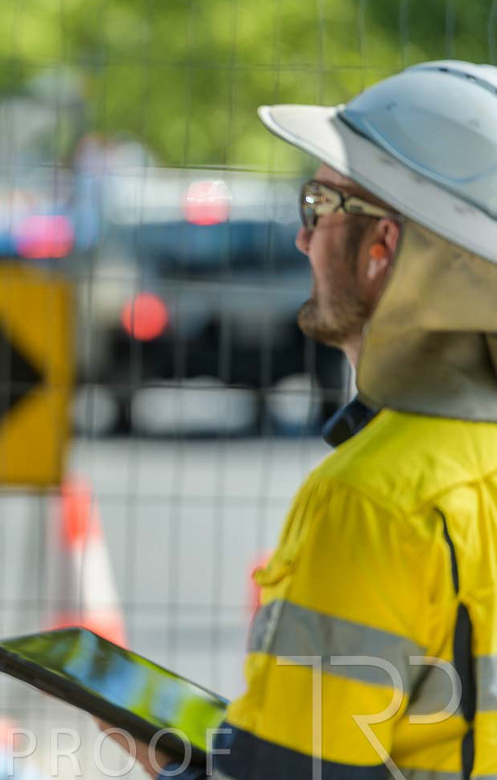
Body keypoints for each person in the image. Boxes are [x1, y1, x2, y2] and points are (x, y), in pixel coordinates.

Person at [106, 61, 497, 778]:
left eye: (318, 205)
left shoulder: (374, 499)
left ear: (382, 248)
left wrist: (170, 761)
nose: (301, 238)